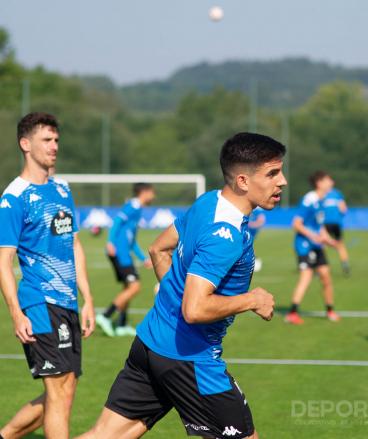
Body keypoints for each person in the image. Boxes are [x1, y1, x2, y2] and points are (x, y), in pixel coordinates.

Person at [77, 133, 284, 439]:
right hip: (190, 359)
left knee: (104, 436)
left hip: (149, 344)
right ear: (242, 180)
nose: (282, 181)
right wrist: (251, 299)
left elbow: (158, 249)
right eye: (272, 173)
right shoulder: (223, 235)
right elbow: (195, 308)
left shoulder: (208, 202)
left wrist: (174, 296)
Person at [0, 112, 95, 439]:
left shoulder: (62, 188)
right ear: (25, 144)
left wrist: (88, 299)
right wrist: (15, 312)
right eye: (46, 140)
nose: (54, 146)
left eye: (56, 140)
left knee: (66, 390)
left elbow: (75, 245)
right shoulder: (14, 198)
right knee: (57, 392)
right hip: (39, 303)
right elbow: (4, 261)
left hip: (68, 303)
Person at [96, 183, 156, 337]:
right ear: (144, 192)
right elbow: (116, 222)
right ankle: (105, 316)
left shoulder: (138, 209)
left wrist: (143, 258)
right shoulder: (132, 206)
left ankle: (122, 325)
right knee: (134, 287)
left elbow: (132, 240)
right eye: (151, 192)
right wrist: (110, 242)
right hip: (119, 252)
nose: (153, 196)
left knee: (127, 288)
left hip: (125, 252)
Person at [285, 171, 340, 325]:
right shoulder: (309, 200)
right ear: (319, 183)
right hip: (304, 245)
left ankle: (330, 311)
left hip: (316, 245)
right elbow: (296, 224)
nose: (332, 183)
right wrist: (312, 236)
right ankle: (292, 313)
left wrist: (329, 240)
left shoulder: (322, 201)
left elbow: (319, 227)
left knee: (326, 277)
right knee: (306, 276)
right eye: (329, 180)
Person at [322, 178, 350, 276]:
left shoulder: (323, 194)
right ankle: (345, 265)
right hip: (336, 223)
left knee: (323, 244)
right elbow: (343, 209)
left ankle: (321, 267)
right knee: (340, 245)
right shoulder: (337, 194)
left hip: (325, 223)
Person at [248, 207, 266, 272]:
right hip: (248, 231)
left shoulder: (257, 210)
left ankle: (255, 261)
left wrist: (250, 224)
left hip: (251, 232)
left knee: (248, 246)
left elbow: (261, 221)